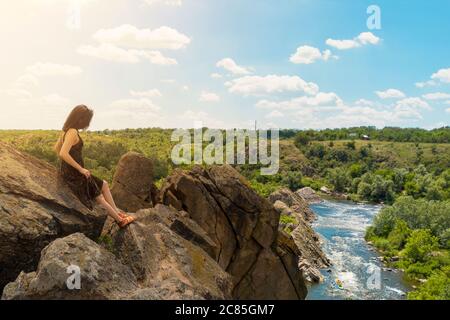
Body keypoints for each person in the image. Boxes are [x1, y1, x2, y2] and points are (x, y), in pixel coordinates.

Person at [54, 105, 135, 228]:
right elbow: (63, 153)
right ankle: (120, 220)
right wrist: (81, 169)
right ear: (79, 119)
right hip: (74, 173)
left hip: (75, 171)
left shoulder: (68, 130)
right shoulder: (72, 132)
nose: (87, 124)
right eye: (86, 120)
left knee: (104, 185)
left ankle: (118, 213)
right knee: (98, 196)